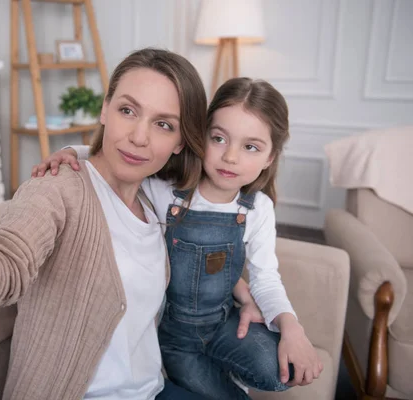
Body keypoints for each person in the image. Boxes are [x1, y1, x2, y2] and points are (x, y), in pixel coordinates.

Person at [0, 47, 221, 400]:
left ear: (180, 142)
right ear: (105, 109)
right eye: (127, 110)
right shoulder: (58, 187)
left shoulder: (156, 199)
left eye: (163, 124)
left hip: (154, 390)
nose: (139, 136)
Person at [32, 77, 323, 399]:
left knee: (283, 372)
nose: (230, 157)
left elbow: (266, 278)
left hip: (222, 323)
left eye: (251, 147)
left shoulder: (259, 209)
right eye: (219, 139)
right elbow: (117, 162)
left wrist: (291, 327)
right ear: (200, 137)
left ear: (270, 157)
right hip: (174, 338)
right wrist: (72, 151)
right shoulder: (166, 192)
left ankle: (223, 363)